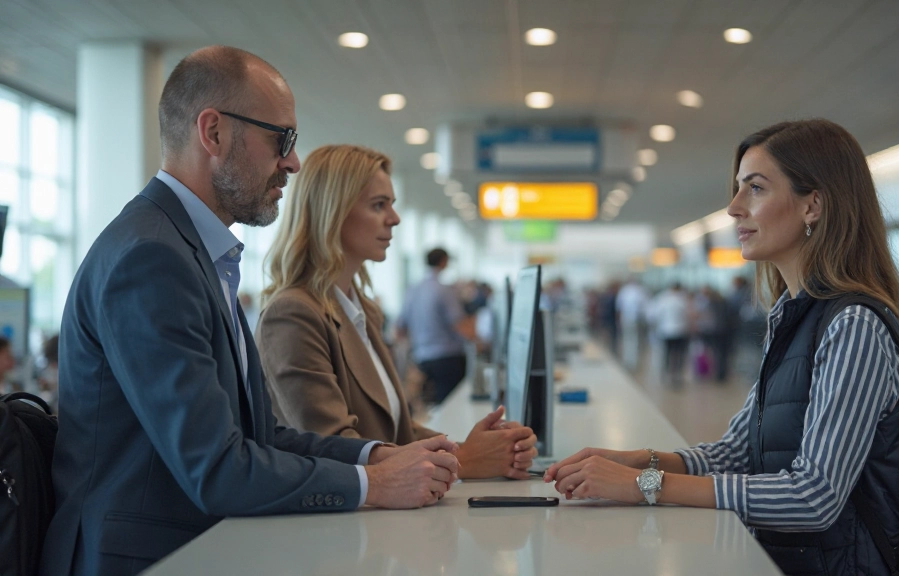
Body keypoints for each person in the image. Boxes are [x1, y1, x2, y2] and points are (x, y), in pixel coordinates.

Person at [42, 47, 459, 576]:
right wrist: (374, 485)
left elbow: (261, 437)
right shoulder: (151, 258)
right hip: (141, 559)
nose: (293, 161)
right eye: (280, 138)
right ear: (212, 133)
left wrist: (376, 457)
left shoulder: (194, 251)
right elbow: (215, 468)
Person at [544, 119, 899, 576]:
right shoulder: (794, 315)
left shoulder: (853, 326)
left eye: (755, 189)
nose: (733, 208)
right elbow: (738, 452)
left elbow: (814, 497)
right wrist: (640, 460)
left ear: (814, 205)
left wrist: (647, 484)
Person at [258, 144, 537, 479]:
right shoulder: (292, 314)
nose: (394, 218)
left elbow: (397, 435)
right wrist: (465, 460)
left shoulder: (361, 311)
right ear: (333, 212)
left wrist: (478, 448)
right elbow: (334, 447)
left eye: (391, 204)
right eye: (379, 205)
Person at [395, 248, 474, 404]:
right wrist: (478, 340)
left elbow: (400, 328)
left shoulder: (412, 290)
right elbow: (459, 324)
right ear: (444, 262)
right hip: (447, 358)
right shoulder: (444, 290)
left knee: (431, 407)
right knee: (451, 407)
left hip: (422, 358)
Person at [649, 283, 689, 383]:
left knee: (667, 353)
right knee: (678, 354)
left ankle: (666, 374)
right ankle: (676, 375)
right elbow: (687, 315)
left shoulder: (663, 299)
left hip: (667, 331)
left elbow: (656, 315)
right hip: (680, 331)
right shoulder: (682, 300)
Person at [615, 277, 648, 371]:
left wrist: (619, 320)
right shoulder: (640, 291)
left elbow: (619, 308)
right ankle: (631, 361)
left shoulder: (625, 291)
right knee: (633, 341)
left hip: (629, 319)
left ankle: (629, 361)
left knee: (628, 341)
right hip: (633, 320)